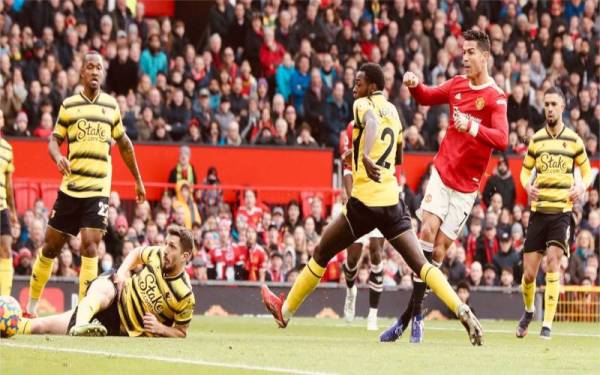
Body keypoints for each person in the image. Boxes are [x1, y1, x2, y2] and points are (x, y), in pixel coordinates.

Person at [261, 63, 483, 346]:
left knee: (321, 252)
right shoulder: (394, 112)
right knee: (422, 266)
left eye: (359, 82)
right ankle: (460, 308)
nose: (354, 87)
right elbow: (398, 155)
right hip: (391, 202)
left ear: (372, 87)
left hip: (364, 204)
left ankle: (286, 311)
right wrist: (357, 154)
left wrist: (364, 157)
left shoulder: (362, 105)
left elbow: (372, 123)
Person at [382, 29, 508, 344]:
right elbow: (427, 96)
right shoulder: (456, 84)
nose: (463, 57)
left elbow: (503, 140)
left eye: (469, 52)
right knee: (426, 232)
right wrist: (413, 86)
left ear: (484, 56)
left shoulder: (496, 98)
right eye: (462, 52)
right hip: (442, 173)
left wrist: (474, 126)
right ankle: (416, 321)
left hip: (467, 189)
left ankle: (407, 317)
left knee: (437, 252)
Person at [25, 52, 146, 317]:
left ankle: (82, 315)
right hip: (71, 187)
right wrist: (58, 158)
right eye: (90, 67)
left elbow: (125, 144)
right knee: (51, 247)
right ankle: (31, 308)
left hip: (98, 189)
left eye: (99, 68)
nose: (95, 71)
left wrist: (138, 179)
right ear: (81, 72)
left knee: (90, 245)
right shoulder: (69, 106)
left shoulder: (111, 106)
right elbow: (53, 141)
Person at [18, 226, 195, 338]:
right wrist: (123, 272)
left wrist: (160, 328)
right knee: (105, 290)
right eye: (166, 244)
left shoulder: (184, 295)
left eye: (172, 247)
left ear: (185, 256)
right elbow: (137, 253)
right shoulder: (157, 254)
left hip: (114, 325)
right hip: (116, 291)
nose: (165, 250)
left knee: (41, 326)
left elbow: (181, 332)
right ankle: (81, 325)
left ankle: (14, 325)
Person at [516, 87, 592, 340]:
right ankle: (528, 312)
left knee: (553, 264)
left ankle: (546, 323)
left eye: (553, 104)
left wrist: (581, 186)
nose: (549, 108)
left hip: (561, 211)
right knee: (528, 274)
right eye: (546, 104)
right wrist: (528, 186)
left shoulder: (574, 140)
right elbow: (525, 171)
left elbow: (588, 170)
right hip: (538, 212)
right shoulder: (536, 140)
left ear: (562, 107)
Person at [339, 121, 385, 331]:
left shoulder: (387, 123)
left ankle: (373, 314)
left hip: (379, 197)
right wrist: (351, 199)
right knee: (352, 258)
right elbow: (347, 168)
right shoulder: (351, 128)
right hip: (359, 197)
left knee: (376, 252)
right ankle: (351, 290)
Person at [0, 123, 17, 296]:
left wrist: (12, 212)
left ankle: (3, 300)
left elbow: (8, 184)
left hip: (2, 206)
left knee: (6, 249)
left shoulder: (7, 149)